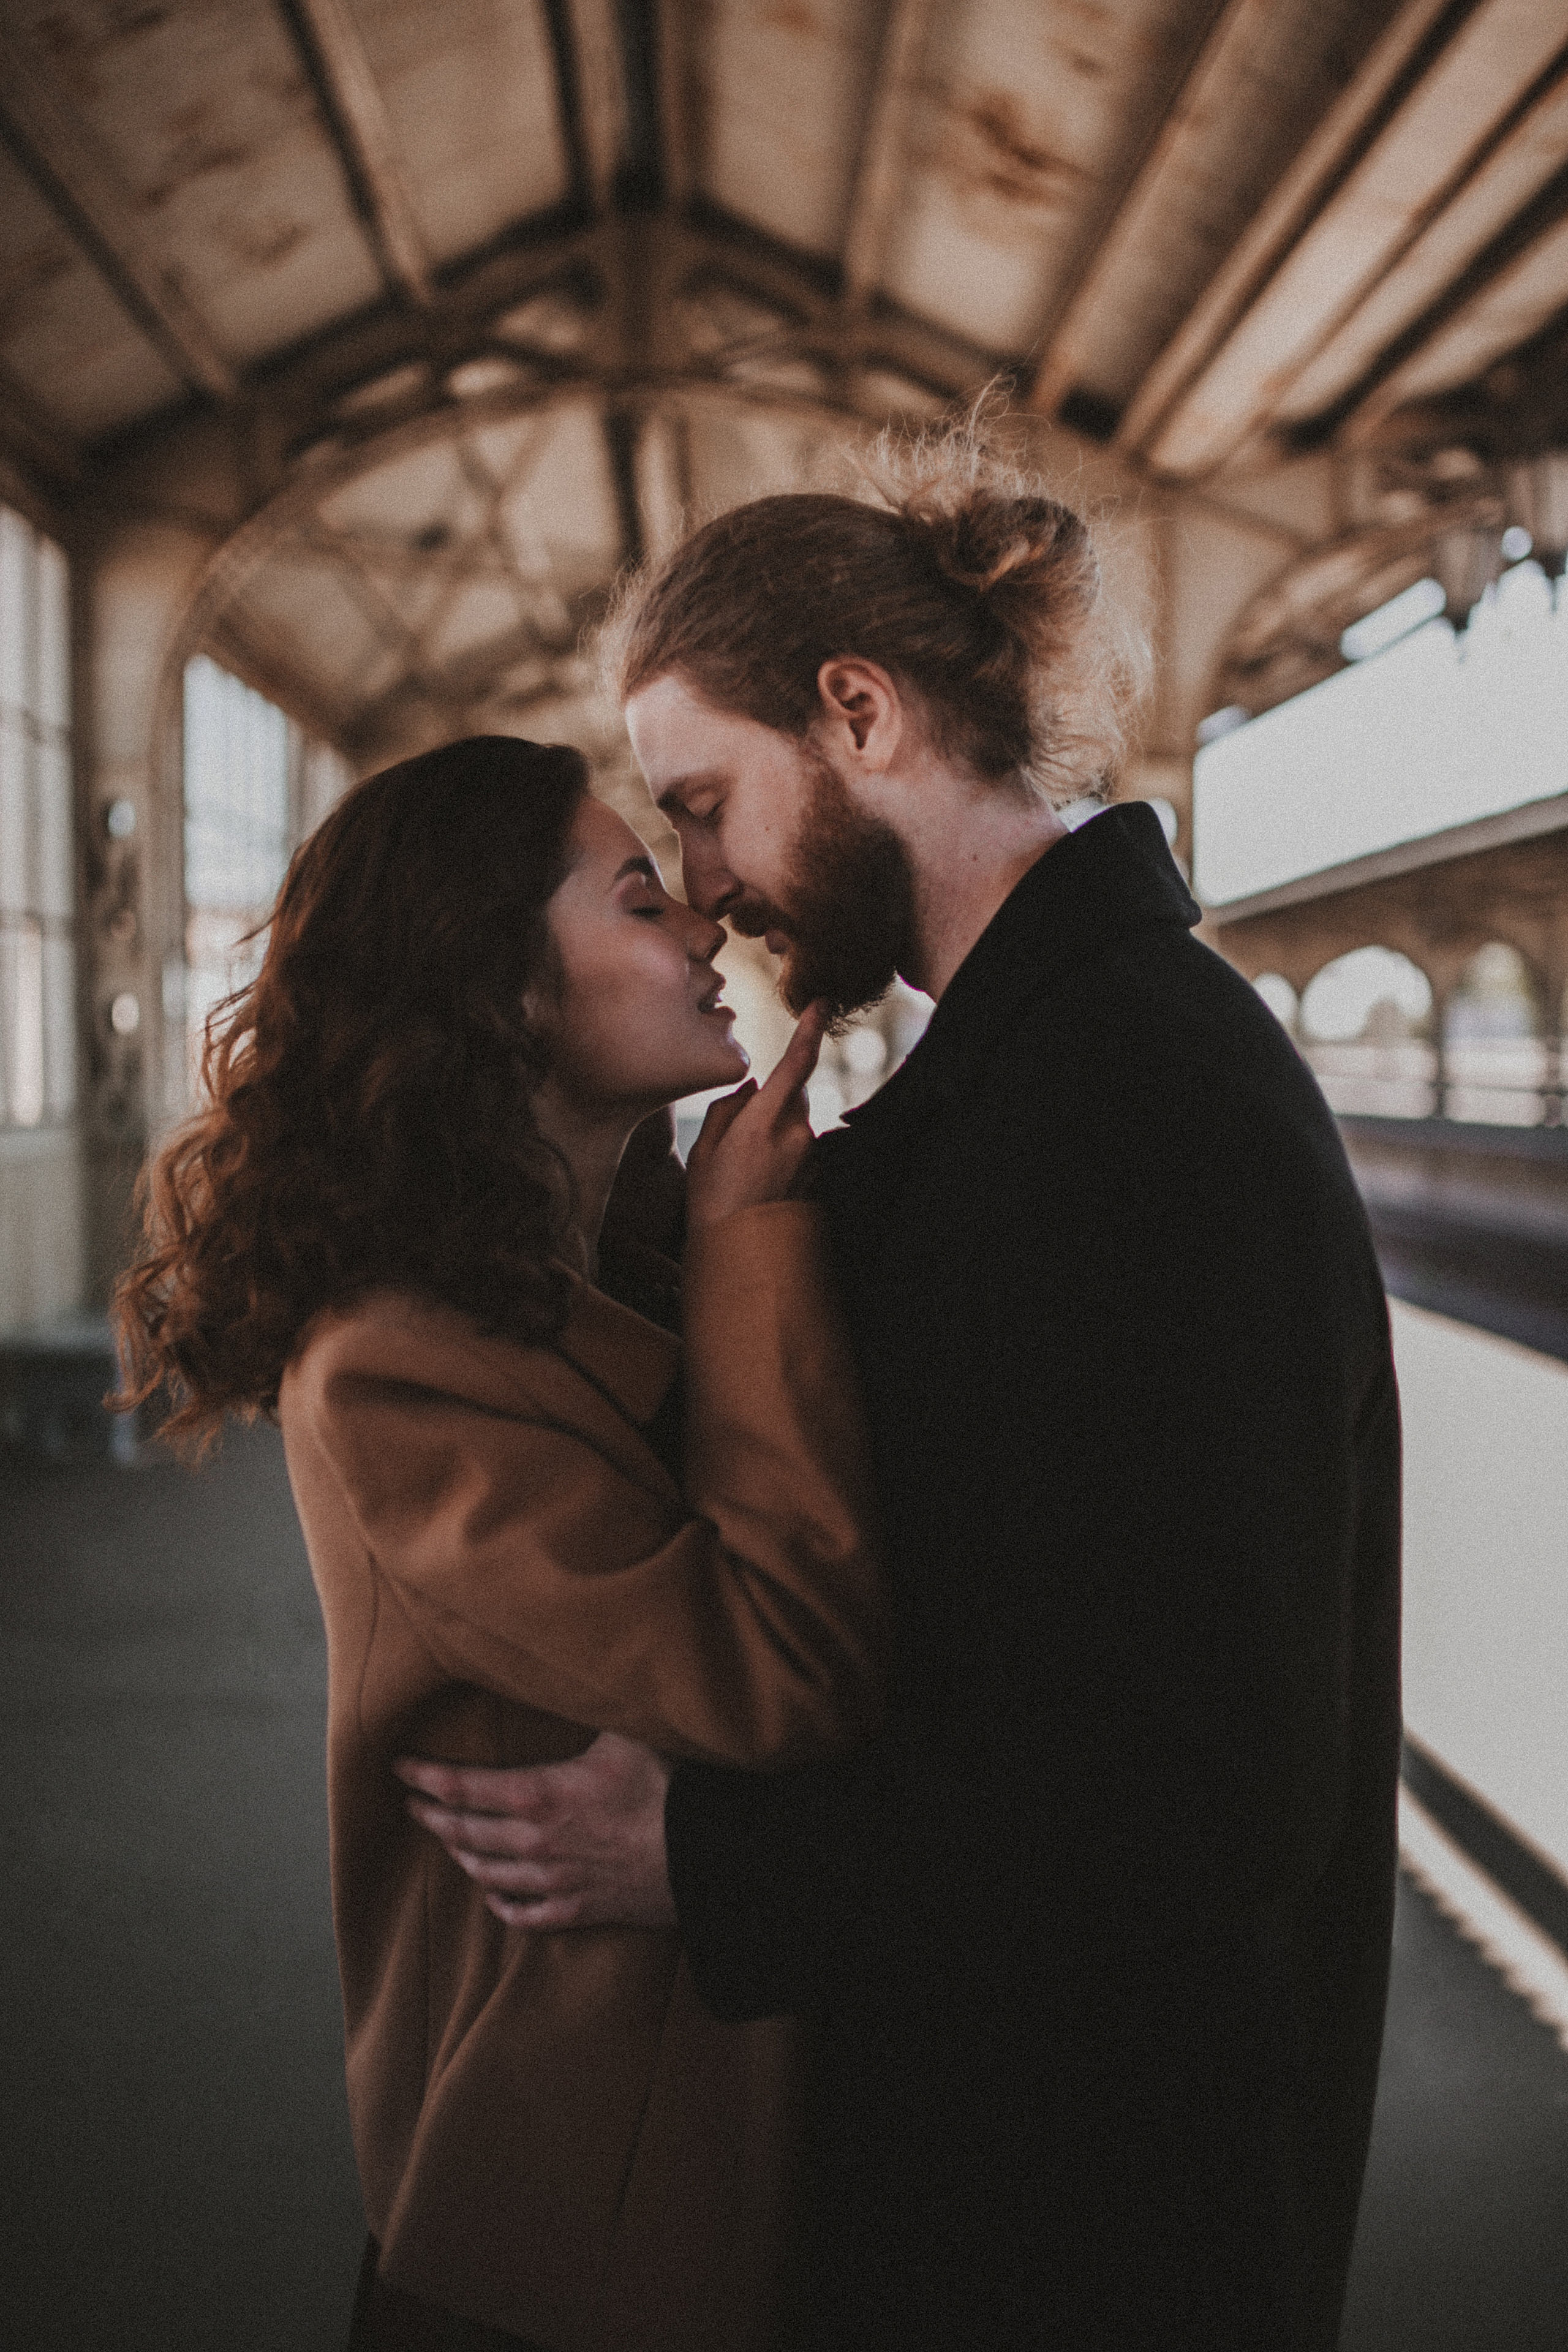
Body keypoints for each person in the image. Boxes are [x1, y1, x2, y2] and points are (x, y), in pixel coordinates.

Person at [401, 428, 1403, 2350]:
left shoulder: (1140, 1101)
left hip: (1098, 2221)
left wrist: (701, 1858)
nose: (703, 892)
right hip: (1015, 2159)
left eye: (706, 807)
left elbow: (1213, 1785)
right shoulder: (1029, 1076)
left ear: (858, 712)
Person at [112, 736, 888, 2352]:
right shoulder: (395, 1371)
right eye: (639, 901)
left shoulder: (589, 1280)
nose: (706, 927)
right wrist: (753, 1246)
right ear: (503, 991)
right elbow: (779, 1669)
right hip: (567, 2231)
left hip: (677, 2170)